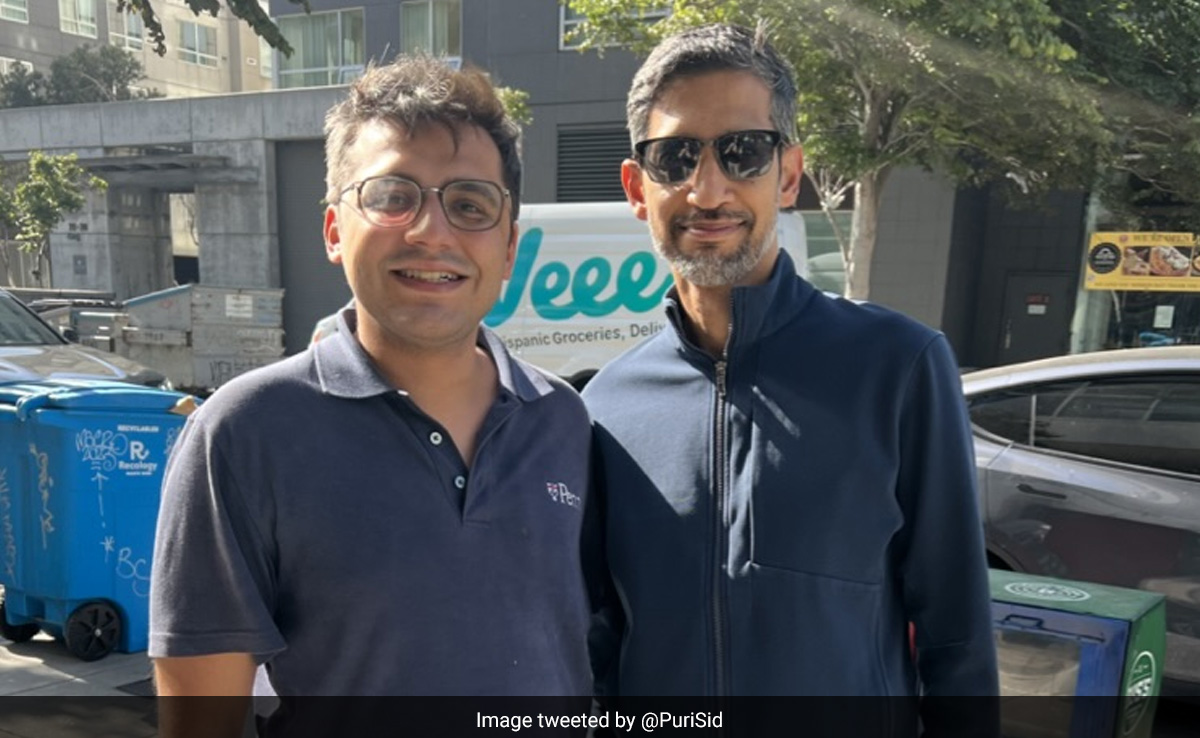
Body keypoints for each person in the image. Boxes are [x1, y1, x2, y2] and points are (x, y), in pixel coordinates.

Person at [149, 57, 594, 719]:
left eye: (470, 205)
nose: (431, 232)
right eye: (393, 196)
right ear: (334, 230)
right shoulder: (244, 433)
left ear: (508, 249)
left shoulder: (563, 420)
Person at [582, 23, 999, 702]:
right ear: (637, 186)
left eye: (743, 153)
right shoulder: (604, 407)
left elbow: (958, 636)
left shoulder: (898, 366)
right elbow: (599, 641)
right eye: (675, 158)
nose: (707, 190)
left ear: (789, 174)